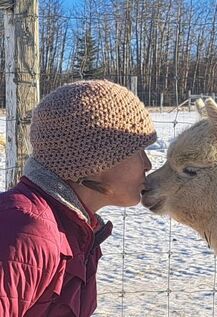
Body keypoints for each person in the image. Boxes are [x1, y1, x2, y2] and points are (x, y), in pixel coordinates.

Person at [0, 80, 157, 317]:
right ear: (95, 161)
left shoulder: (76, 230)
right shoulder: (28, 232)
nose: (148, 164)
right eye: (138, 151)